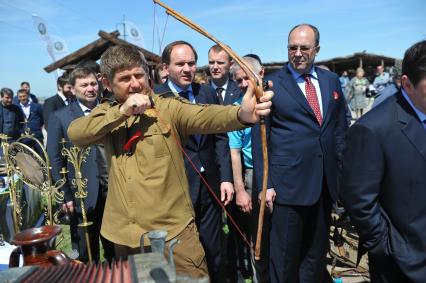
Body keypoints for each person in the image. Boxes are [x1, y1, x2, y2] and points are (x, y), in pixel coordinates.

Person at [67, 44, 273, 278]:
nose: (135, 84)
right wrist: (121, 111)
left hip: (173, 234)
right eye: (125, 78)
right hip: (127, 236)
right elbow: (76, 133)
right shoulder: (107, 114)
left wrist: (242, 114)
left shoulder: (167, 107)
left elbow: (207, 116)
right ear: (106, 83)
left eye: (139, 75)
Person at [252, 23, 347, 283]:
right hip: (288, 187)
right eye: (292, 47)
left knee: (315, 256)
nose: (297, 53)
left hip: (324, 185)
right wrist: (265, 183)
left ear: (316, 49)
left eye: (304, 47)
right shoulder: (271, 83)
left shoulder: (331, 81)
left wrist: (342, 177)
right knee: (284, 258)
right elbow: (261, 138)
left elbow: (340, 131)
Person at [340, 40, 426, 283]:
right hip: (404, 264)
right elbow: (358, 198)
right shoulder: (373, 129)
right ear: (407, 83)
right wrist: (388, 248)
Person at [154, 41, 234, 281]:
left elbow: (220, 137)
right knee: (181, 253)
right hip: (174, 189)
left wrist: (226, 178)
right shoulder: (155, 99)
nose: (187, 69)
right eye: (180, 64)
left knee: (213, 248)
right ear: (165, 68)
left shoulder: (206, 92)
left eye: (191, 63)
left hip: (209, 183)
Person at [46, 67, 114, 263]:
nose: (90, 89)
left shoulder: (109, 110)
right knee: (84, 254)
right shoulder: (60, 117)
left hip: (113, 192)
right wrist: (65, 196)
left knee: (115, 250)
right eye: (84, 85)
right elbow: (56, 159)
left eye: (93, 83)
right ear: (72, 89)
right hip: (81, 194)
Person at [228, 55, 270, 283]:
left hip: (280, 173)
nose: (244, 84)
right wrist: (240, 189)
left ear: (260, 74)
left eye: (248, 78)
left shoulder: (275, 101)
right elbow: (234, 152)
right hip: (253, 175)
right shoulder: (237, 111)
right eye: (239, 80)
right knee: (258, 234)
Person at [16, 88, 44, 155]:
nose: (22, 98)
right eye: (20, 96)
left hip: (37, 136)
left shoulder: (37, 106)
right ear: (18, 97)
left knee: (41, 157)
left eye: (24, 96)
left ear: (28, 96)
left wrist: (35, 127)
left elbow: (42, 119)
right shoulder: (16, 108)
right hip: (23, 137)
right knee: (26, 158)